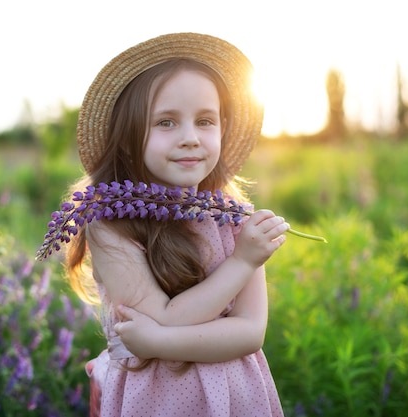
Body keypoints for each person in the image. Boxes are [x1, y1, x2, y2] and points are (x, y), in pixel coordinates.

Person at [65, 32, 288, 417]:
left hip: (236, 397)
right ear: (128, 138)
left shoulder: (235, 217)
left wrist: (159, 342)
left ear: (223, 128)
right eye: (166, 122)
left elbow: (251, 333)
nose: (190, 138)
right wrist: (242, 263)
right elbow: (162, 317)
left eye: (205, 121)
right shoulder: (111, 226)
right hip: (156, 398)